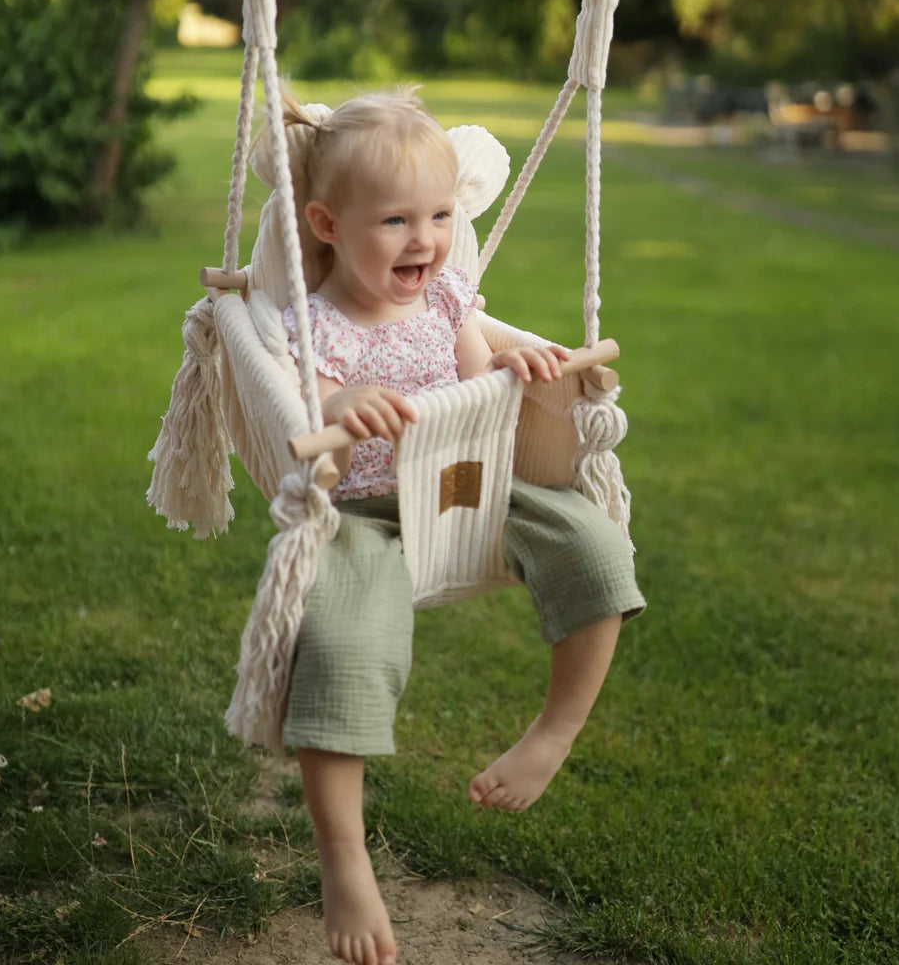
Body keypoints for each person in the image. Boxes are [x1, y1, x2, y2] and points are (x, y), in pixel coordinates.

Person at [274, 86, 645, 965]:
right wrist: (340, 397)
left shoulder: (448, 301)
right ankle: (344, 858)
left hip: (471, 485)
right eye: (396, 220)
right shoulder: (313, 320)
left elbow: (481, 373)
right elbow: (294, 398)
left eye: (440, 216)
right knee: (337, 648)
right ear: (326, 224)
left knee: (597, 547)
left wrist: (513, 356)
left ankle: (551, 734)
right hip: (363, 509)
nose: (427, 240)